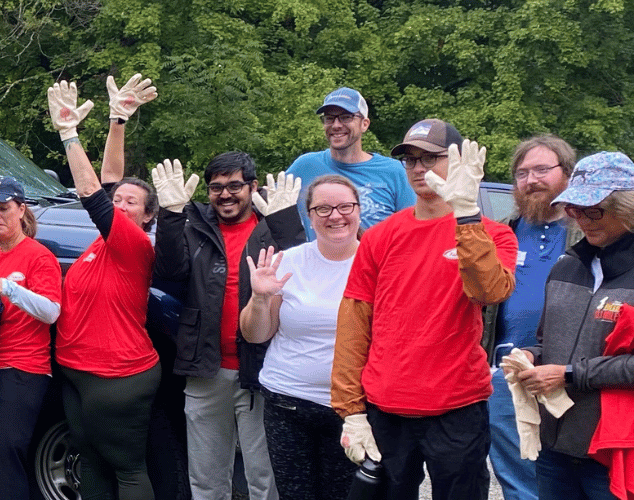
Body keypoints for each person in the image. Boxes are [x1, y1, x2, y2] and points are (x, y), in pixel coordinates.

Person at [331, 118, 517, 500]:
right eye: (410, 160)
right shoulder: (381, 235)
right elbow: (354, 321)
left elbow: (490, 290)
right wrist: (350, 408)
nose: (419, 168)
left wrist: (466, 215)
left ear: (457, 163)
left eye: (431, 158)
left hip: (457, 405)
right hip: (387, 405)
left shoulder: (494, 234)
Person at [513, 152, 634, 500]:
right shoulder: (566, 265)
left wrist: (567, 374)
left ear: (631, 210)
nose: (581, 221)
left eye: (593, 211)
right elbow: (545, 343)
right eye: (574, 210)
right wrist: (530, 356)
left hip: (621, 450)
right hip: (557, 447)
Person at [152, 151, 302, 500]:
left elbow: (302, 273)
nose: (225, 194)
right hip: (206, 369)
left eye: (235, 185)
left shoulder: (269, 227)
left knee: (265, 479)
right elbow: (169, 272)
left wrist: (285, 222)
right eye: (216, 187)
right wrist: (171, 215)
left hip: (262, 370)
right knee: (206, 479)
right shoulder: (195, 226)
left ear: (252, 187)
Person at [46, 77, 160, 500]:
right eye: (120, 200)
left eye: (132, 202)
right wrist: (117, 121)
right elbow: (110, 184)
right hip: (77, 370)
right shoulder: (103, 241)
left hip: (117, 376)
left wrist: (69, 134)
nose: (121, 203)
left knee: (127, 469)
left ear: (148, 216)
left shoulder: (134, 244)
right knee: (89, 460)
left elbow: (94, 191)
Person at [239, 175, 364, 498]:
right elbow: (255, 335)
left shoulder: (376, 264)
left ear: (359, 210)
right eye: (323, 209)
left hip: (352, 410)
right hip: (287, 404)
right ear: (309, 216)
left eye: (344, 206)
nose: (335, 216)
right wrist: (261, 298)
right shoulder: (288, 261)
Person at [485, 135, 580, 500]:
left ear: (567, 175)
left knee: (570, 479)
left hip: (568, 378)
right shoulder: (500, 232)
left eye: (542, 169)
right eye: (522, 173)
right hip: (507, 376)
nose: (531, 180)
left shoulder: (586, 233)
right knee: (520, 482)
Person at [0, 177, 63, 497]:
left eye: (3, 208)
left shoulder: (38, 255)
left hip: (25, 369)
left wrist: (9, 288)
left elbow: (52, 312)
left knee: (7, 453)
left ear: (21, 210)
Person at [285, 87, 415, 238]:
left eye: (346, 117)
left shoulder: (395, 172)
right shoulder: (304, 166)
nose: (336, 125)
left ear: (364, 124)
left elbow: (412, 230)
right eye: (329, 118)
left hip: (375, 261)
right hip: (315, 259)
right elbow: (272, 208)